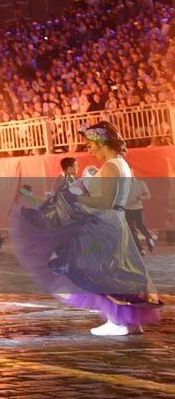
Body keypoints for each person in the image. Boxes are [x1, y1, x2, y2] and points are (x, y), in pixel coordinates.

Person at [10, 121, 162, 336]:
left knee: (100, 272)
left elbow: (104, 201)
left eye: (89, 144)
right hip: (114, 221)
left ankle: (118, 322)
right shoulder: (119, 163)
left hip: (105, 224)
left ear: (101, 142)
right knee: (113, 270)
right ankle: (127, 321)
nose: (88, 149)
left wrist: (74, 197)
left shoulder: (111, 165)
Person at [125, 173, 156, 254]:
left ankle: (149, 239)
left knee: (140, 225)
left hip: (137, 208)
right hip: (126, 209)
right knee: (131, 230)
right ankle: (140, 249)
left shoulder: (140, 183)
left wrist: (141, 197)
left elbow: (148, 195)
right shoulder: (122, 183)